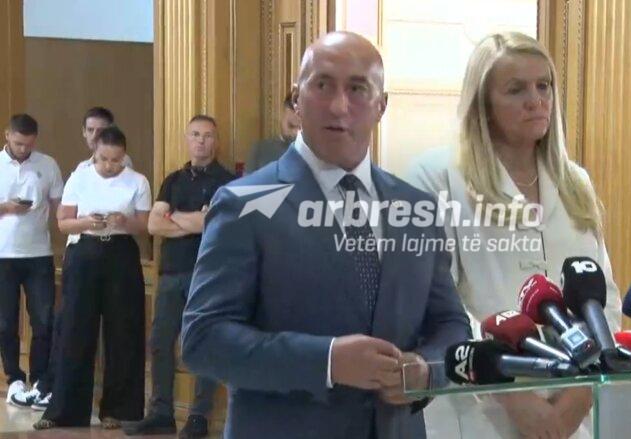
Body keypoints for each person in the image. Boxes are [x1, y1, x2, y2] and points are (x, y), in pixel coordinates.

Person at [181, 31, 471, 439]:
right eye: (322, 85)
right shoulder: (244, 203)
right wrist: (327, 361)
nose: (339, 105)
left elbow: (451, 324)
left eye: (358, 89)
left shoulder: (416, 209)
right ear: (297, 99)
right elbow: (203, 339)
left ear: (381, 105)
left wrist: (426, 370)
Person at [406, 32, 622, 439]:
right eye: (516, 89)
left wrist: (578, 397)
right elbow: (437, 306)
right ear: (483, 105)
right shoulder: (436, 178)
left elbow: (603, 299)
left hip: (572, 409)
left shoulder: (575, 182)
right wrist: (513, 395)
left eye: (544, 86)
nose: (536, 100)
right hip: (479, 409)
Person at [123, 115, 234, 438]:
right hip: (171, 272)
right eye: (195, 134)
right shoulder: (173, 180)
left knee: (203, 343)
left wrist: (175, 216)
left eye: (208, 135)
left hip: (209, 274)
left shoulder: (227, 182)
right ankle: (161, 412)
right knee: (160, 342)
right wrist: (195, 219)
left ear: (216, 141)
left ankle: (199, 416)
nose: (201, 141)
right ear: (187, 138)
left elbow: (213, 224)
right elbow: (154, 225)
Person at [35, 126, 151, 430]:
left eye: (115, 160)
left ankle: (118, 409)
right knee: (75, 329)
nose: (109, 165)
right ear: (94, 154)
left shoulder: (137, 181)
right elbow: (63, 223)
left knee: (123, 331)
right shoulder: (80, 177)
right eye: (103, 159)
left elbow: (144, 225)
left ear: (124, 156)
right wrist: (87, 221)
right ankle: (66, 410)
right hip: (85, 252)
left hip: (121, 253)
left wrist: (124, 221)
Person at [0, 114, 63, 409]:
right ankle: (14, 377)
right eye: (18, 143)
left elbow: (60, 207)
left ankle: (40, 380)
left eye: (28, 144)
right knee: (5, 322)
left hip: (39, 254)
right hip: (3, 255)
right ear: (7, 135)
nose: (23, 149)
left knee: (44, 320)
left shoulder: (47, 165)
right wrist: (6, 208)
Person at [245, 93, 301, 173]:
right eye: (291, 126)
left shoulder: (315, 154)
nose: (295, 132)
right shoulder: (259, 150)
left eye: (300, 128)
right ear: (281, 115)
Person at [74, 106, 133, 172]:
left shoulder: (121, 160)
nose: (94, 136)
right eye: (90, 130)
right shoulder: (82, 167)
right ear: (84, 132)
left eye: (100, 131)